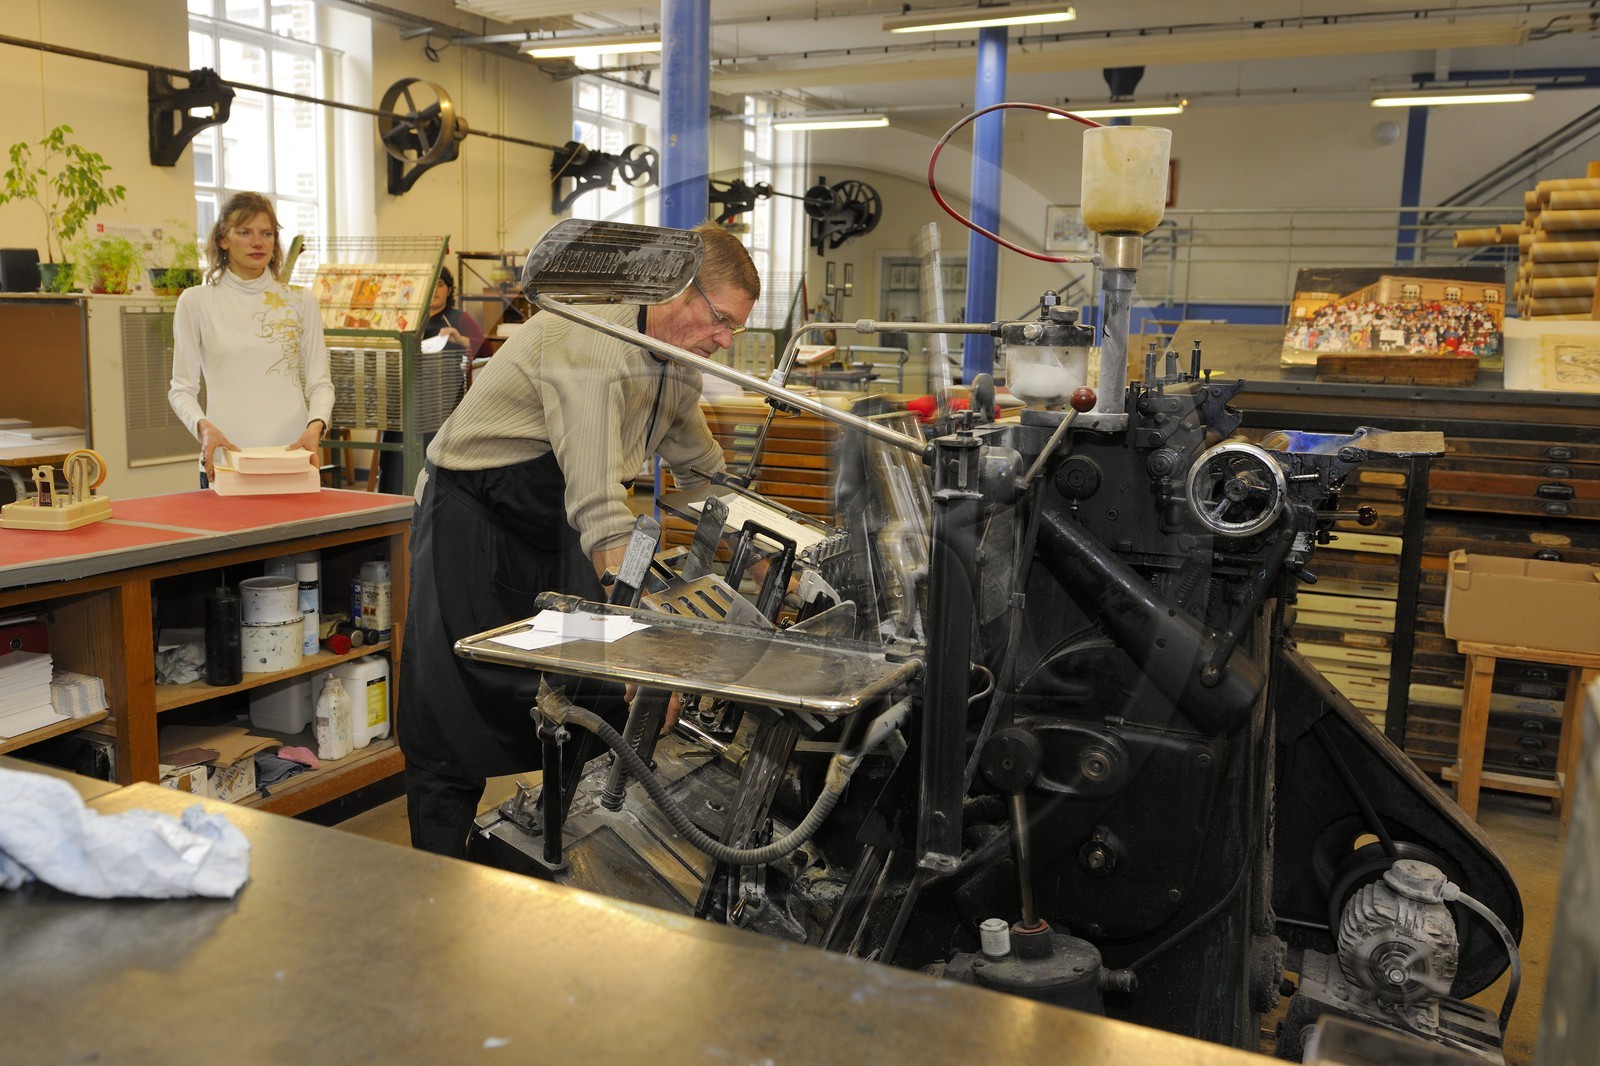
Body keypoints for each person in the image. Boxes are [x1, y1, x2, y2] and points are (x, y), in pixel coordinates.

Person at [399, 221, 759, 860]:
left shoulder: (676, 369)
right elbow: (601, 512)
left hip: (548, 519)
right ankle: (435, 876)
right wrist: (652, 647)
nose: (725, 342)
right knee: (451, 710)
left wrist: (766, 551)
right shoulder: (593, 343)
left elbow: (707, 478)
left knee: (590, 696)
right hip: (475, 517)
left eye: (734, 328)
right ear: (680, 290)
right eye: (720, 320)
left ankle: (556, 850)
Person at [168, 192, 333, 486]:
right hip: (226, 463)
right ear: (223, 239)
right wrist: (203, 428)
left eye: (266, 233)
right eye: (245, 232)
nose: (258, 242)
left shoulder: (300, 301)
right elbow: (181, 389)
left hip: (292, 458)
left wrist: (316, 425)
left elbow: (320, 384)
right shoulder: (196, 302)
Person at [377, 265, 487, 495]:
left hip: (444, 405)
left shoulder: (459, 318)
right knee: (395, 458)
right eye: (431, 285)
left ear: (449, 289)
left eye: (440, 285)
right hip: (405, 402)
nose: (435, 290)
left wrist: (461, 339)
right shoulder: (407, 319)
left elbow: (486, 350)